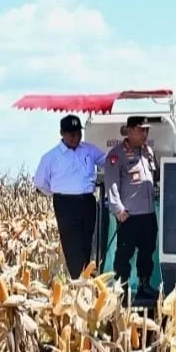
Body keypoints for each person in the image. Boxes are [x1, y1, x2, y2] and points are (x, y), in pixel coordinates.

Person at [33, 114, 107, 278]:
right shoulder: (51, 157)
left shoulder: (89, 150)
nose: (76, 138)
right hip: (65, 204)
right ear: (62, 134)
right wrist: (56, 192)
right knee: (72, 245)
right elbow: (39, 182)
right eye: (72, 134)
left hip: (87, 202)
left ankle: (88, 278)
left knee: (88, 243)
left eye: (78, 134)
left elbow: (106, 161)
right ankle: (77, 281)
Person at [103, 116, 159, 300]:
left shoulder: (147, 152)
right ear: (129, 130)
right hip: (129, 215)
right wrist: (118, 209)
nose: (145, 134)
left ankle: (144, 284)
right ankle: (122, 287)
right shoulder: (116, 155)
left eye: (147, 130)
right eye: (141, 130)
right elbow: (111, 184)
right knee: (124, 254)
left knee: (147, 252)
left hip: (148, 213)